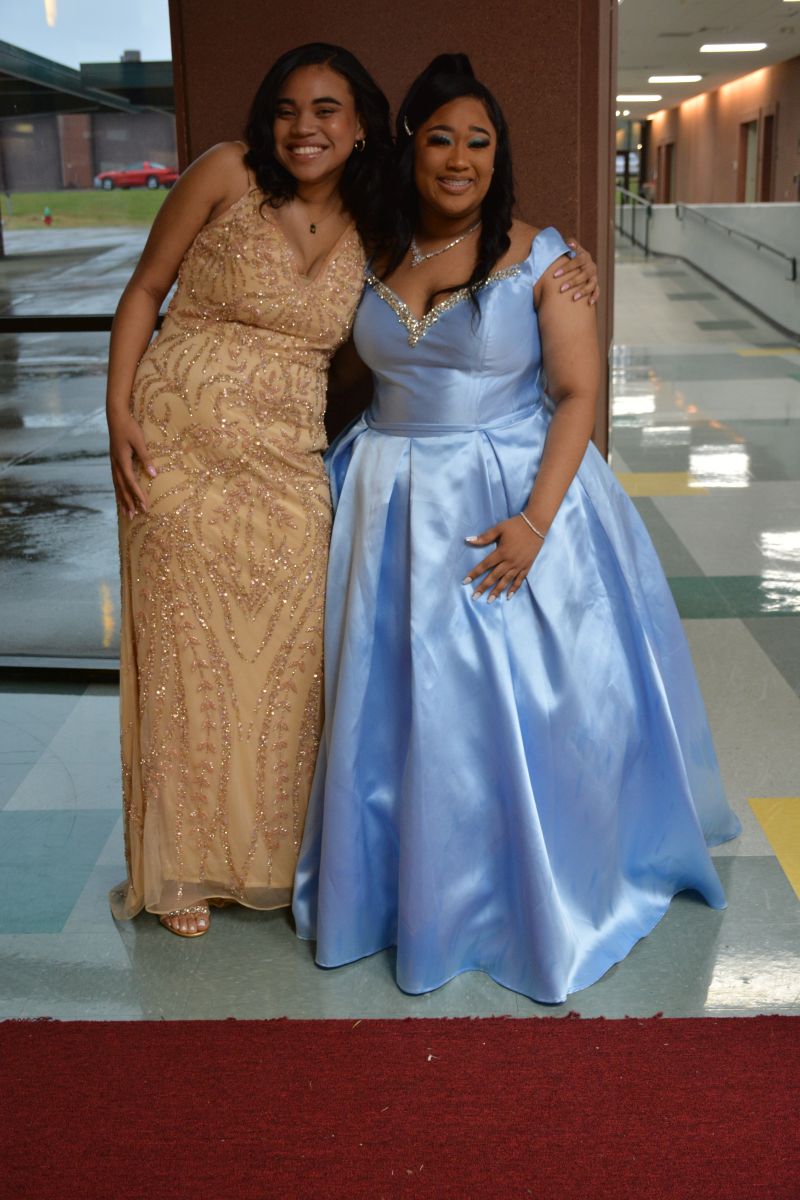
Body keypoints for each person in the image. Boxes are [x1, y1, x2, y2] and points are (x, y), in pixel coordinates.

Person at [106, 42, 602, 938]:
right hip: (175, 443)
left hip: (289, 458)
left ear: (365, 127)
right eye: (288, 108)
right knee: (184, 658)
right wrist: (116, 412)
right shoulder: (226, 173)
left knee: (292, 663)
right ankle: (180, 868)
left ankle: (271, 856)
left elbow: (495, 254)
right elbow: (145, 288)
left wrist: (573, 260)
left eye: (327, 109)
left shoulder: (379, 225)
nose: (305, 127)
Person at [292, 55, 741, 1003]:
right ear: (409, 147)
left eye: (480, 142)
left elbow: (576, 396)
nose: (460, 159)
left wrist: (536, 524)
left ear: (500, 156)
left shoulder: (544, 259)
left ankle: (532, 889)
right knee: (400, 709)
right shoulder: (371, 247)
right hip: (387, 503)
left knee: (508, 705)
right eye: (441, 139)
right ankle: (402, 887)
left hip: (509, 494)